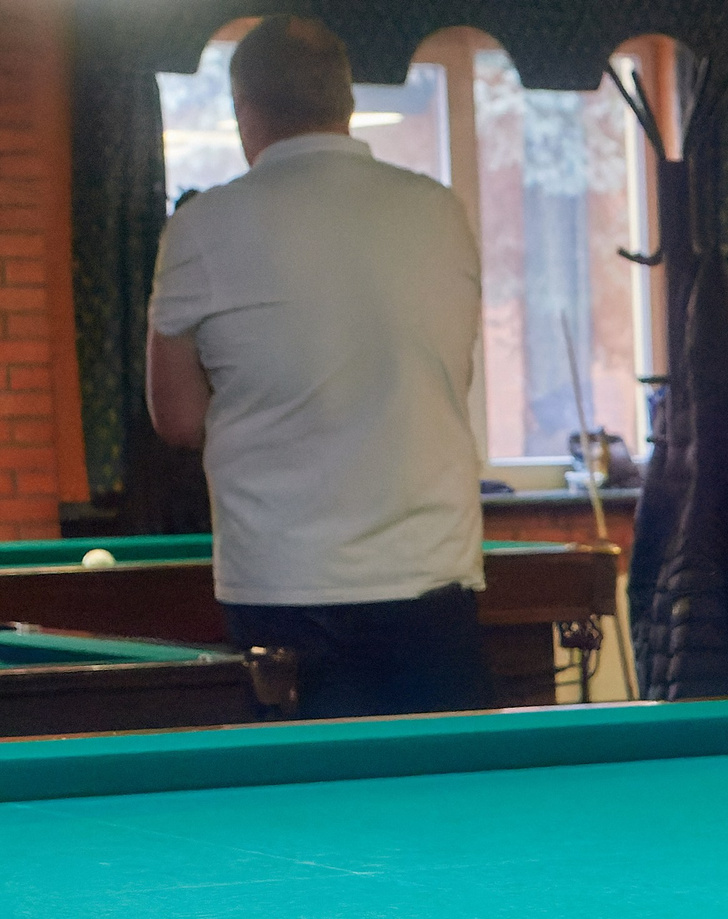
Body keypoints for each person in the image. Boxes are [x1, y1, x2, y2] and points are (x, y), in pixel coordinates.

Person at [145, 15, 487, 719]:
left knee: (297, 819)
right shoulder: (438, 210)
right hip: (431, 576)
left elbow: (177, 418)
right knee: (447, 811)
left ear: (245, 110)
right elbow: (451, 379)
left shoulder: (202, 227)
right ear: (348, 102)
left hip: (282, 584)